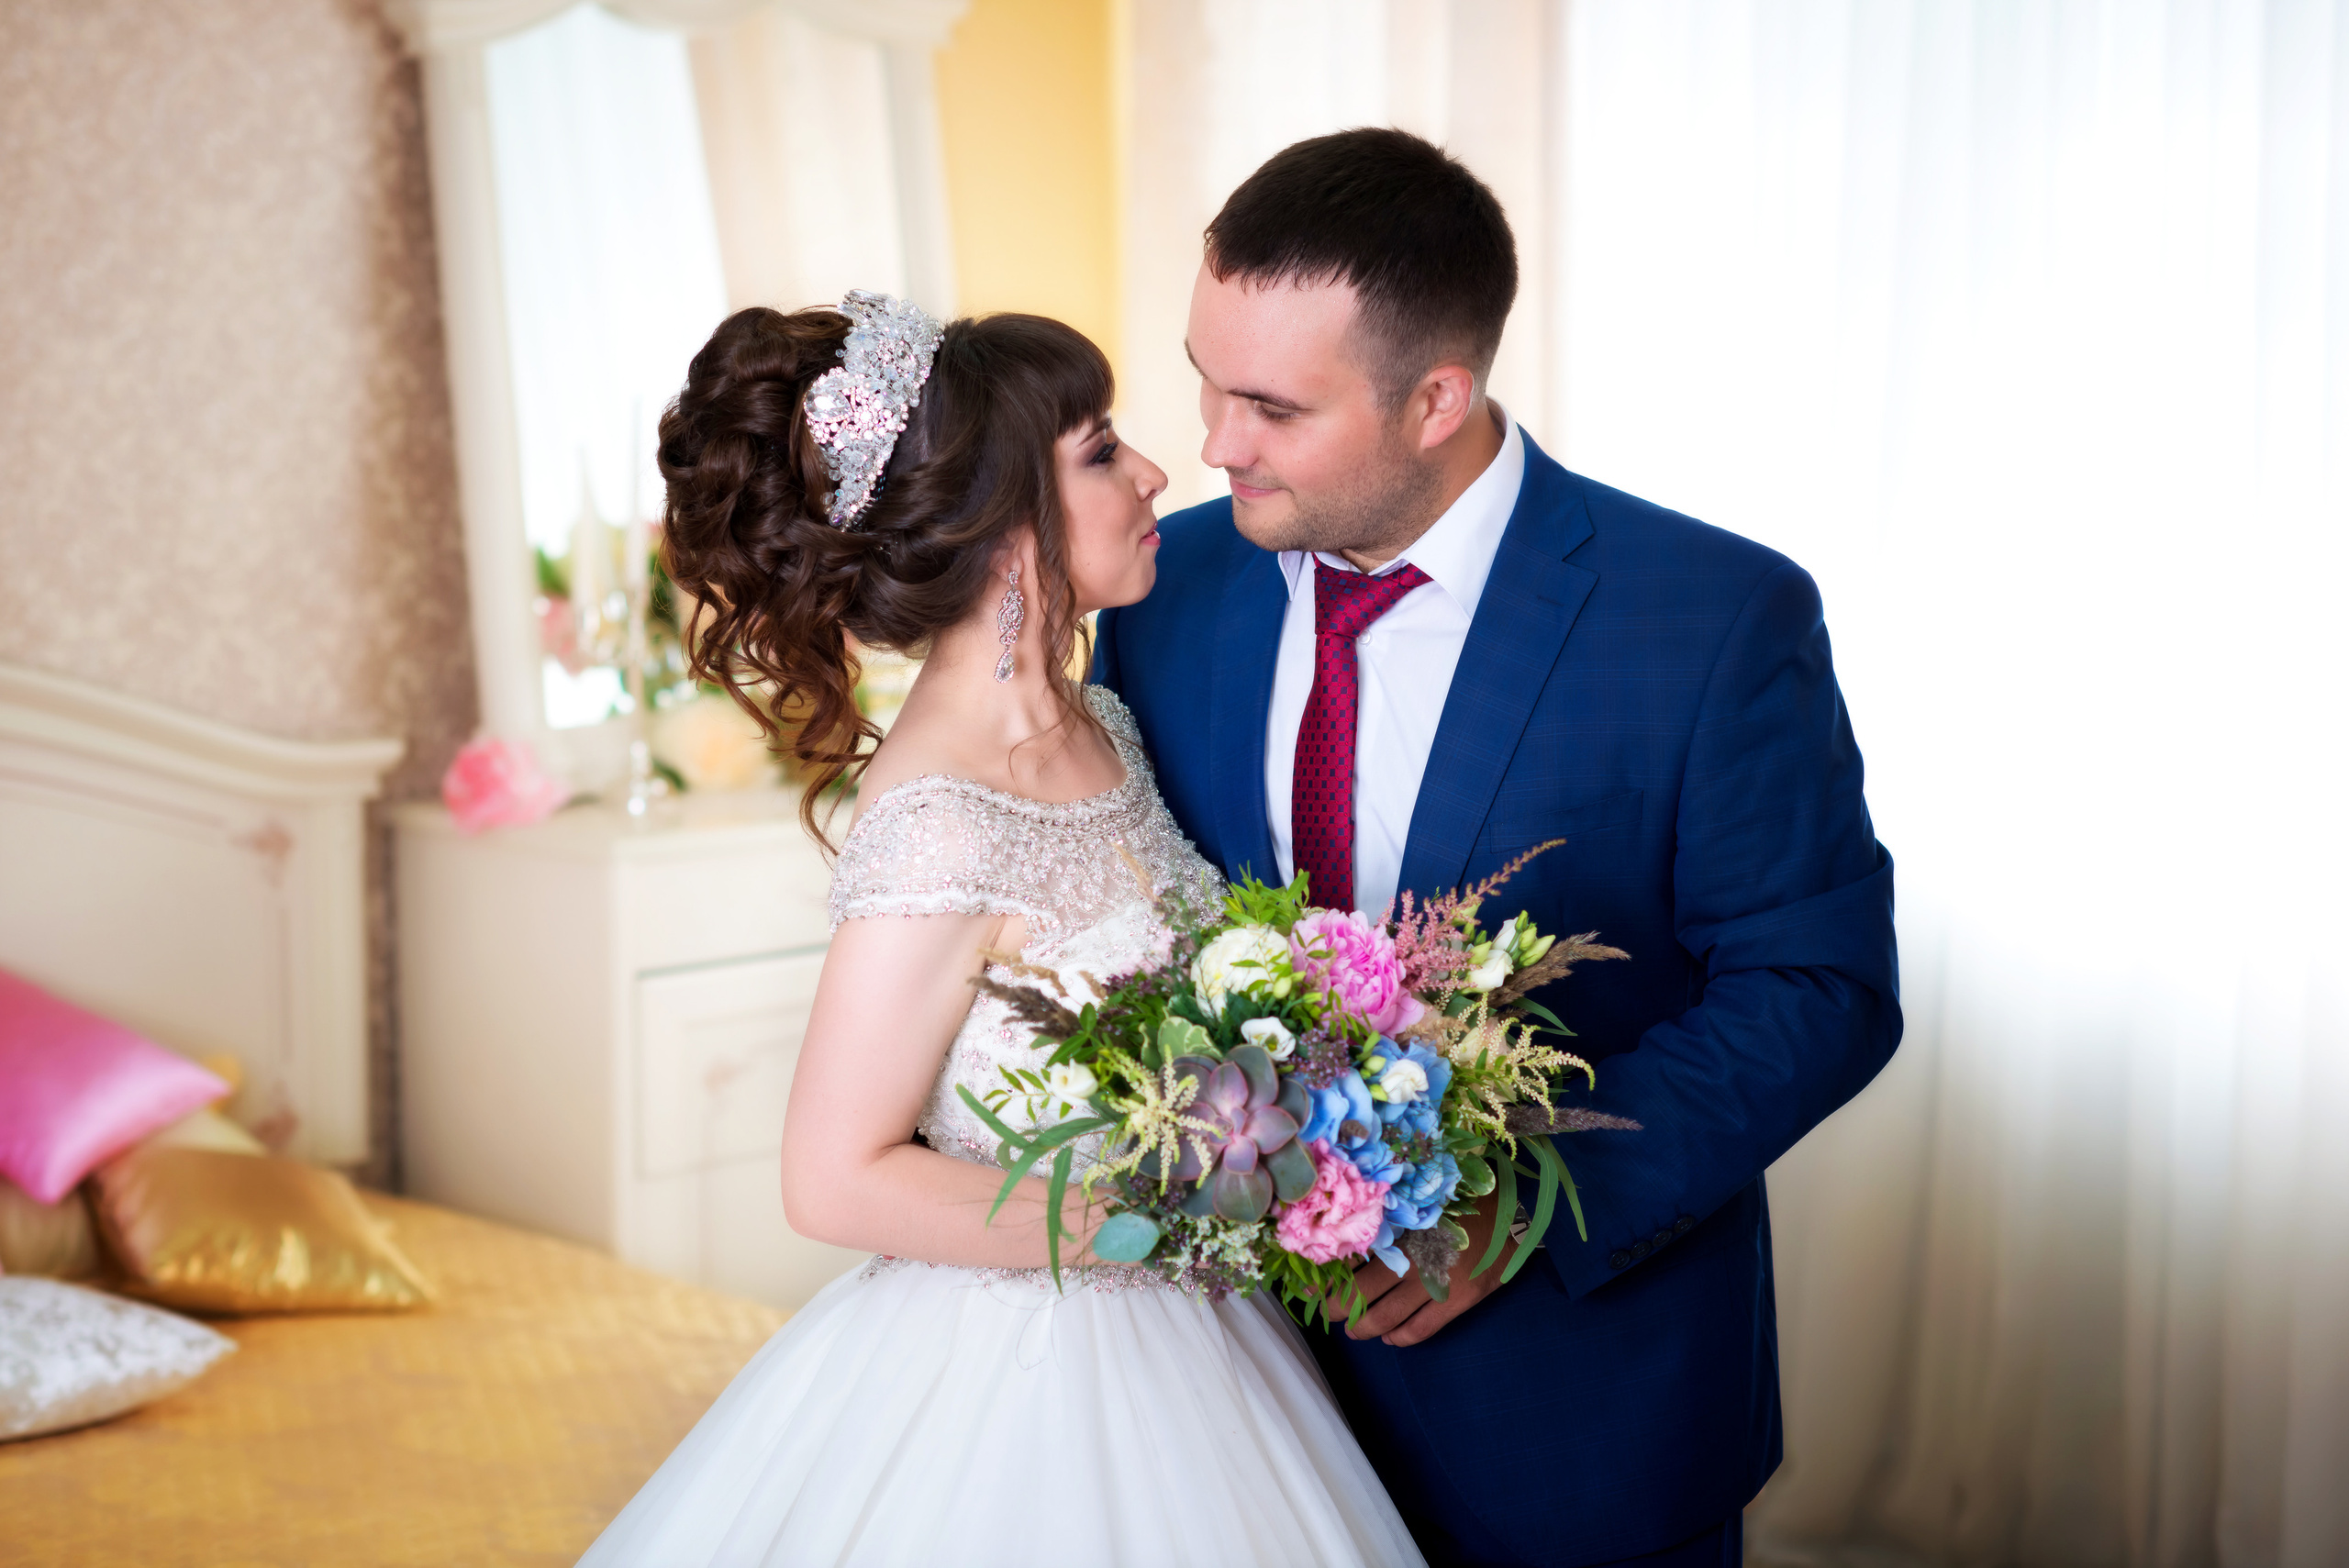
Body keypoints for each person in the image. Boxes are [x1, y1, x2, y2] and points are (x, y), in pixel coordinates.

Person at [1093, 128, 1904, 1567]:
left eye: (1271, 405)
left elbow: (1818, 986)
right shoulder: (1165, 586)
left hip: (1578, 1414)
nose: (1214, 443)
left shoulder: (1712, 618)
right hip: (1227, 1418)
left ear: (1436, 398)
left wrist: (1528, 1201)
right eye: (1206, 378)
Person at [574, 294, 1425, 1567]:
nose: (1154, 471)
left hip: (1200, 1341)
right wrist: (1155, 1211)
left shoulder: (1102, 728)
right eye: (1097, 450)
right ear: (998, 525)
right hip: (1029, 1371)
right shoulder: (938, 818)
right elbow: (832, 1174)